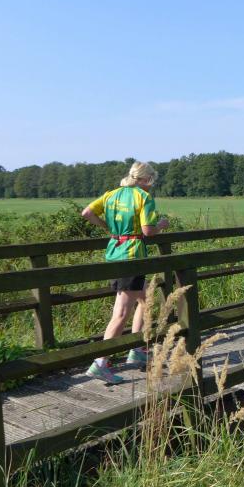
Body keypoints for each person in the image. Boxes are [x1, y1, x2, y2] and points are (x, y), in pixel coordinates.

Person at [81, 161, 169, 384]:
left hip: (115, 251)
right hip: (132, 256)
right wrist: (161, 225)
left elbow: (87, 212)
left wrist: (108, 228)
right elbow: (148, 231)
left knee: (146, 300)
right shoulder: (143, 197)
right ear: (146, 179)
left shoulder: (111, 195)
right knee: (121, 312)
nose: (151, 185)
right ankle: (100, 363)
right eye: (151, 180)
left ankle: (137, 349)